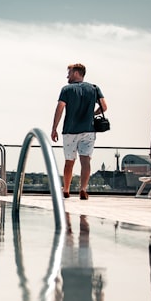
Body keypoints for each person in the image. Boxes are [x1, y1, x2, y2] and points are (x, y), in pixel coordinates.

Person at [50, 62, 107, 199]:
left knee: (69, 161)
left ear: (76, 73)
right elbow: (104, 107)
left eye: (69, 73)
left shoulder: (67, 89)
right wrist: (92, 114)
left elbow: (60, 108)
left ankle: (67, 190)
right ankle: (83, 189)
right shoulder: (94, 88)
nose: (67, 76)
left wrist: (54, 128)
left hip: (70, 131)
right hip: (88, 130)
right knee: (85, 160)